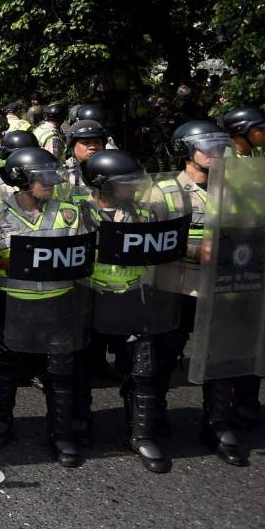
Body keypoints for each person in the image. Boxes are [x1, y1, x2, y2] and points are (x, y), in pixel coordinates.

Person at [152, 120, 247, 467]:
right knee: (165, 354)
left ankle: (217, 423)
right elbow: (148, 240)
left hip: (222, 286)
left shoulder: (235, 190)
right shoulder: (163, 191)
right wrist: (192, 252)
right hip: (175, 284)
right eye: (206, 147)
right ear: (185, 151)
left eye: (219, 147)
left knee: (219, 357)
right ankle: (153, 413)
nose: (215, 153)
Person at [0, 148, 87, 467]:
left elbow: (84, 254)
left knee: (59, 371)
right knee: (4, 368)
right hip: (13, 301)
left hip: (58, 303)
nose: (51, 184)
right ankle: (0, 422)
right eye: (43, 178)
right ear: (21, 179)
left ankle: (61, 432)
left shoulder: (69, 212)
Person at [75, 150, 172, 472]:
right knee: (81, 368)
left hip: (133, 297)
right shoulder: (77, 213)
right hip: (88, 299)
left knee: (143, 372)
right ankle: (78, 425)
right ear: (105, 185)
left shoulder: (144, 214)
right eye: (125, 183)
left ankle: (142, 434)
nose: (133, 188)